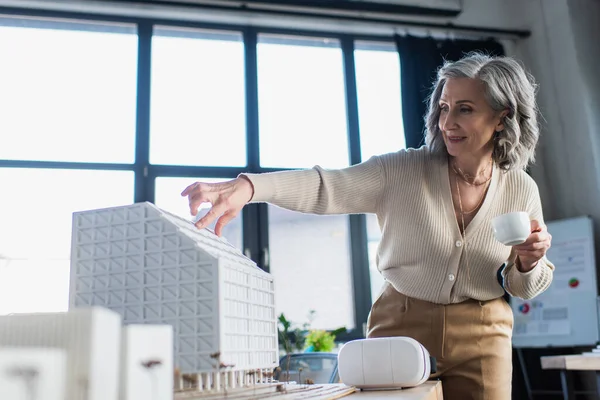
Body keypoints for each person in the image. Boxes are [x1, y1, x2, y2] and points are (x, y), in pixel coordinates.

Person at [180, 52, 554, 400]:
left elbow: (522, 287)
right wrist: (250, 187)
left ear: (502, 116)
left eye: (465, 109)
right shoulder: (401, 170)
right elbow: (326, 186)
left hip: (483, 333)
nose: (447, 123)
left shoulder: (521, 188)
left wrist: (528, 262)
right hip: (400, 326)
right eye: (443, 108)